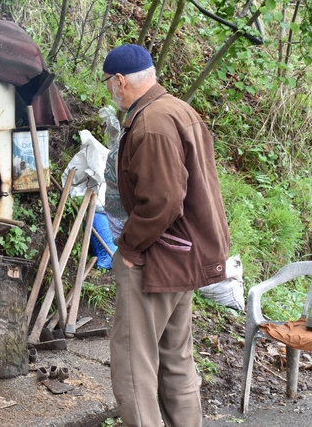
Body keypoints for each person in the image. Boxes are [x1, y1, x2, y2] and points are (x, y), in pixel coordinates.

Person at [102, 43, 230, 426]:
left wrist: (129, 246)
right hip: (186, 252)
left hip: (157, 257)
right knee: (175, 359)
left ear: (121, 81)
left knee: (132, 365)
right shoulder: (177, 108)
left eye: (109, 82)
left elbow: (164, 200)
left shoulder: (151, 123)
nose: (109, 89)